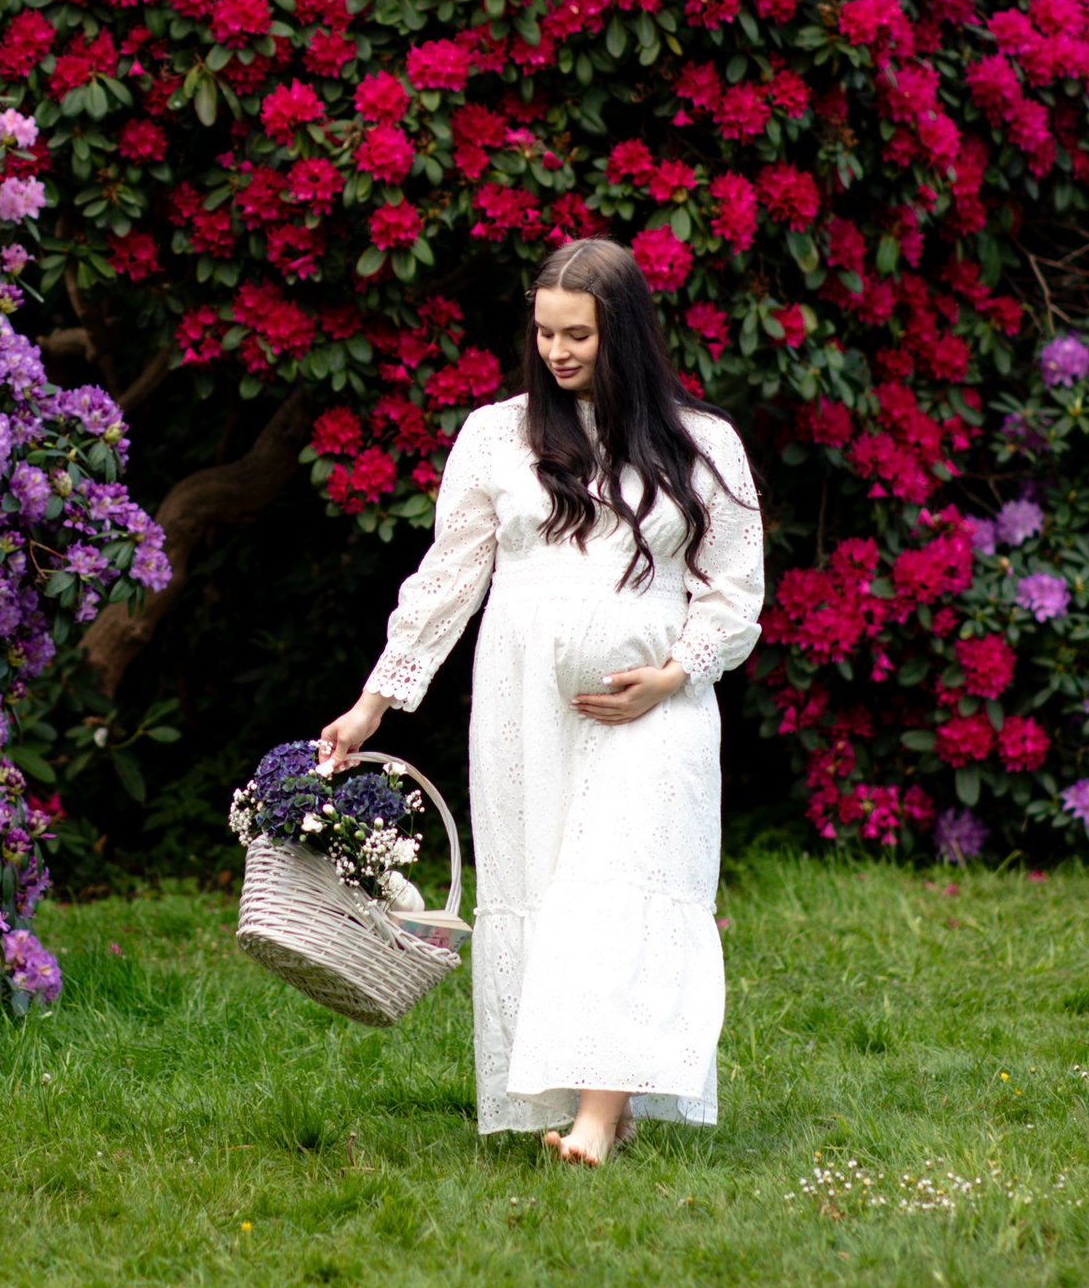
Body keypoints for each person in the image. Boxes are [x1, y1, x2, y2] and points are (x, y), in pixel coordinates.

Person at [317, 238, 765, 1166]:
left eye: (581, 337)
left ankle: (598, 1120)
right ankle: (598, 1101)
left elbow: (732, 587)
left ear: (626, 336)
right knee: (553, 893)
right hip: (527, 708)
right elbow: (448, 579)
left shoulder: (701, 442)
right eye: (547, 333)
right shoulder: (496, 435)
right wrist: (375, 702)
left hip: (659, 707)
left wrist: (678, 673)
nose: (559, 353)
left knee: (623, 886)